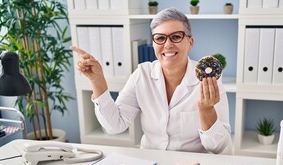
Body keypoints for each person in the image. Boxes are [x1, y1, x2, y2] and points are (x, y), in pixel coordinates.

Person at [71, 7, 231, 154]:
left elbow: (218, 147)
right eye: (160, 38)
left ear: (190, 43)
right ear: (154, 44)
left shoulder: (209, 81)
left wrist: (206, 110)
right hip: (150, 164)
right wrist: (97, 81)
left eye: (176, 37)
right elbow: (114, 125)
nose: (167, 45)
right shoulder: (142, 75)